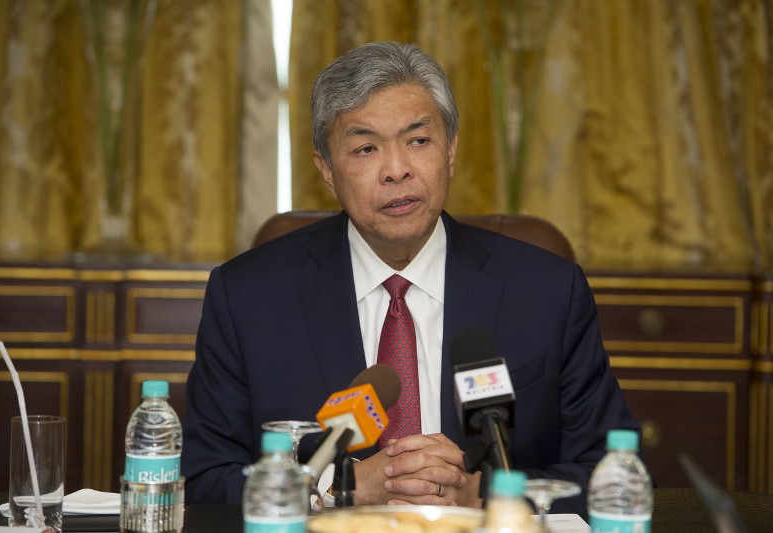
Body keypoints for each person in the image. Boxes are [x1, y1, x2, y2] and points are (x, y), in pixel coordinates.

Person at [182, 41, 640, 515]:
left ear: (451, 150)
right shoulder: (249, 297)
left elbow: (613, 473)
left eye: (418, 141)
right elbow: (202, 477)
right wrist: (336, 487)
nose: (397, 170)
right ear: (327, 171)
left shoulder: (547, 292)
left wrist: (483, 495)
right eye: (365, 148)